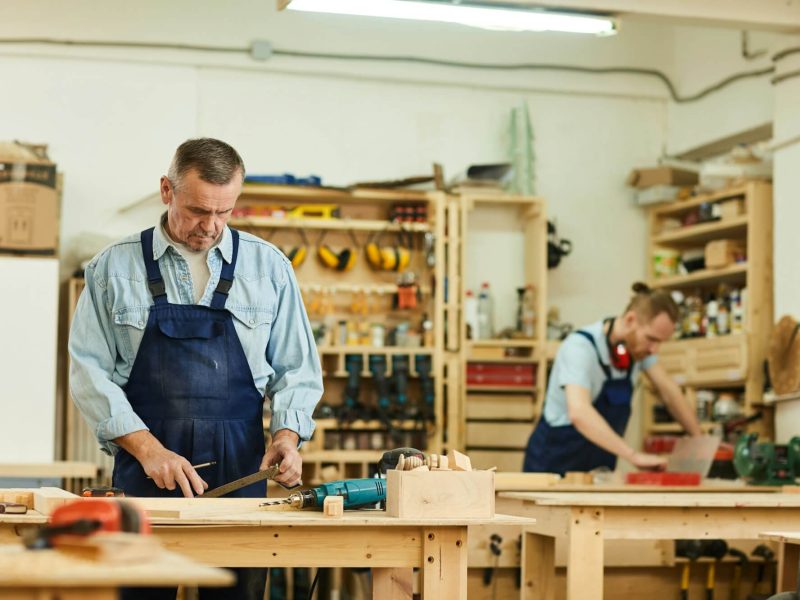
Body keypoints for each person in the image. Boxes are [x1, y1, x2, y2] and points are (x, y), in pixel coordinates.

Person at [69, 138, 323, 600]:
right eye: (198, 210)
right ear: (167, 190)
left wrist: (286, 437)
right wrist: (147, 450)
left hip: (241, 472)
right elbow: (89, 373)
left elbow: (298, 370)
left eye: (224, 213)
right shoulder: (113, 268)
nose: (210, 227)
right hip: (146, 472)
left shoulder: (269, 269)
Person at [524, 282, 701, 475]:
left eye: (660, 343)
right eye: (651, 339)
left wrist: (700, 440)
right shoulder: (580, 347)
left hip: (597, 472)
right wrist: (633, 456)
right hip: (551, 467)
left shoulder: (638, 352)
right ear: (630, 320)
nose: (654, 350)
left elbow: (669, 392)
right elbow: (579, 412)